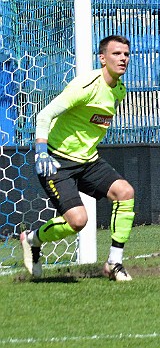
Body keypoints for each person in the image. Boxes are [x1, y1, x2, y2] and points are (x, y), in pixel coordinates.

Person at [19, 35, 136, 281]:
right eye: (116, 54)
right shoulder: (86, 86)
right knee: (78, 221)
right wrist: (41, 150)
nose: (123, 58)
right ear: (102, 58)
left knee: (125, 192)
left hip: (88, 161)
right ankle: (32, 240)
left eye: (126, 54)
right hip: (56, 161)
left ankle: (114, 263)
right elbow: (44, 115)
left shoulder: (120, 91)